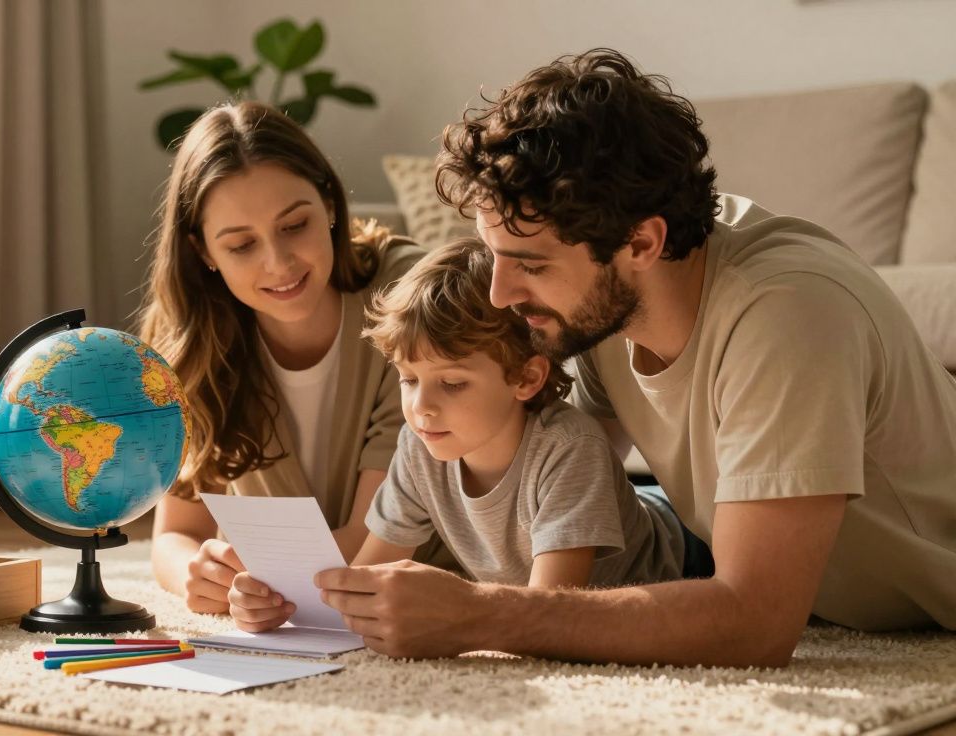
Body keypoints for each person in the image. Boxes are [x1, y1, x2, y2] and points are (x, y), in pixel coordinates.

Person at [315, 48, 956, 666]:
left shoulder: (786, 314)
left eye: (531, 263)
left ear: (642, 243)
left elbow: (756, 622)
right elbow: (553, 480)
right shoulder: (603, 307)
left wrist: (482, 614)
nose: (500, 293)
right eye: (496, 253)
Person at [229, 238, 694, 633]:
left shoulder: (569, 450)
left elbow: (547, 612)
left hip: (687, 543)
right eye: (409, 380)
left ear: (527, 378)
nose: (421, 406)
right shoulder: (420, 447)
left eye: (452, 383)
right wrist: (282, 606)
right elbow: (363, 579)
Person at [138, 100, 453, 618]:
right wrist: (200, 575)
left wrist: (264, 587)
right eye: (240, 245)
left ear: (329, 204)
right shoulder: (197, 344)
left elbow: (375, 537)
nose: (279, 263)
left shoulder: (407, 297)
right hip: (294, 591)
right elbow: (175, 533)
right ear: (204, 253)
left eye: (294, 225)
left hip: (419, 580)